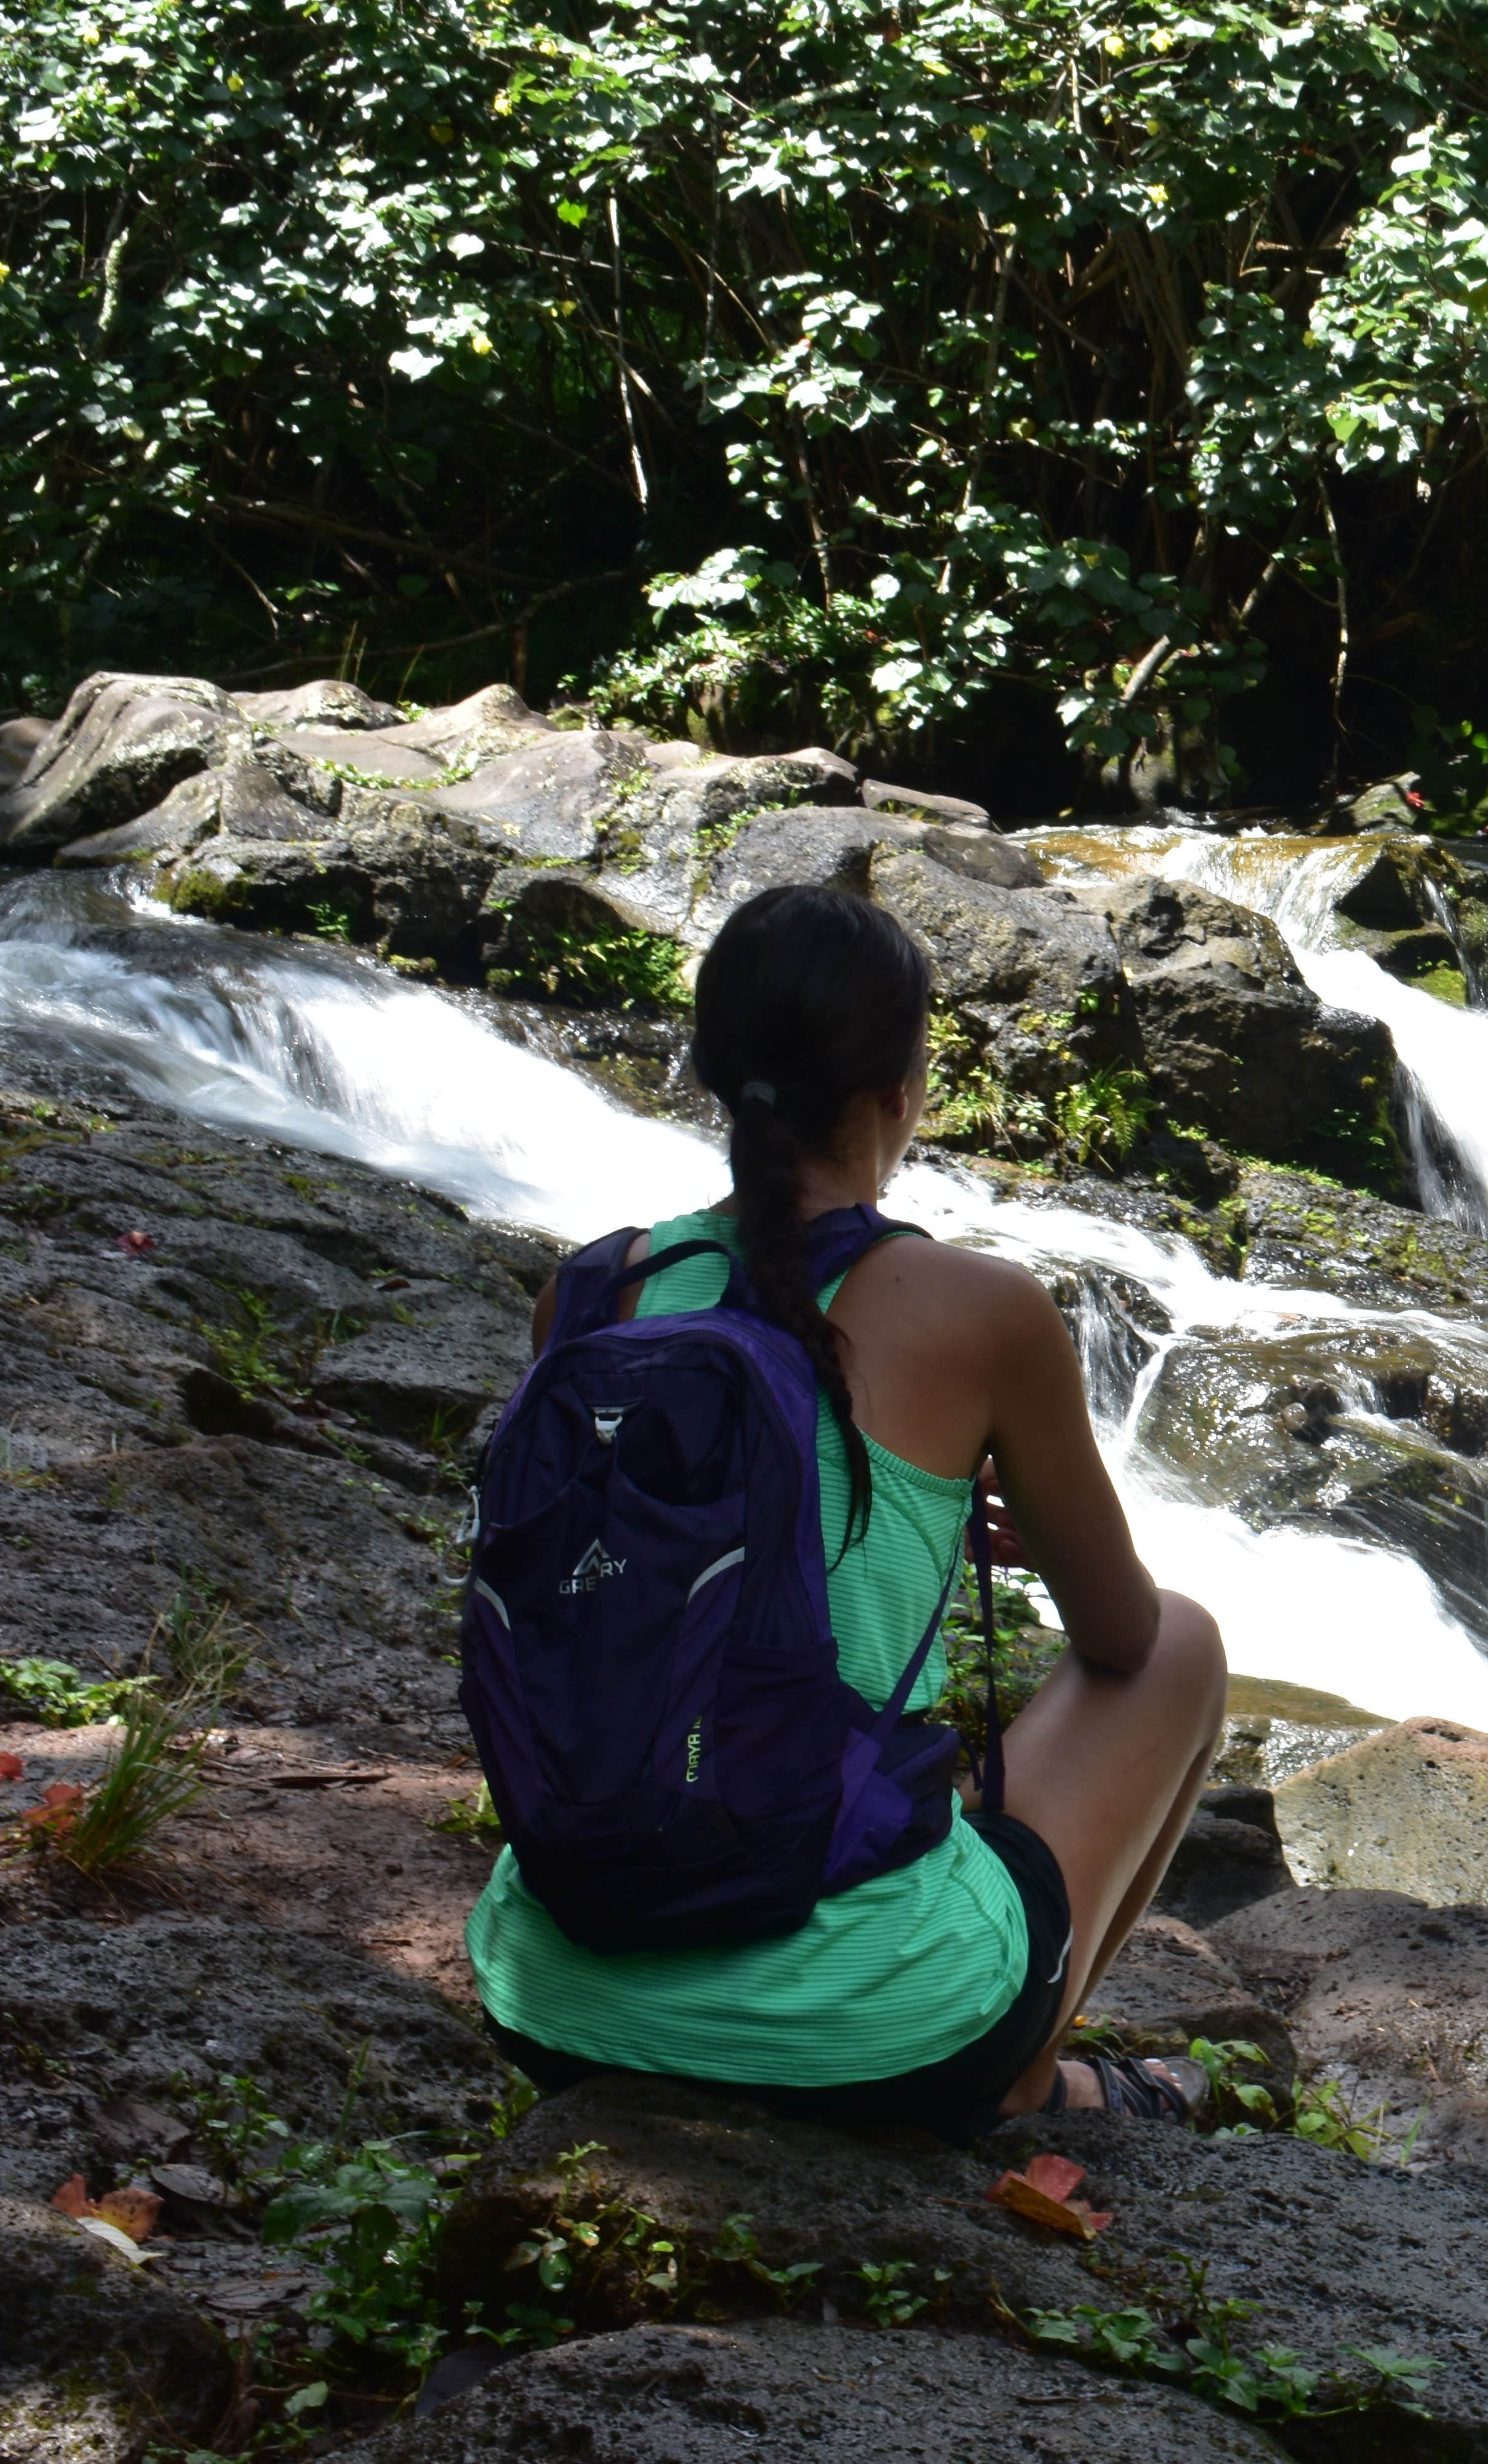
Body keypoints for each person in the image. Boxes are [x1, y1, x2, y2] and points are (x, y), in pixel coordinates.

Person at [465, 884, 1228, 2137]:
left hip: (550, 1998)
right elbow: (1124, 1642)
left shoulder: (592, 1295)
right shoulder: (980, 1309)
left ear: (715, 1073)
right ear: (898, 1094)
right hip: (877, 2036)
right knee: (1186, 1643)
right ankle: (1028, 2069)